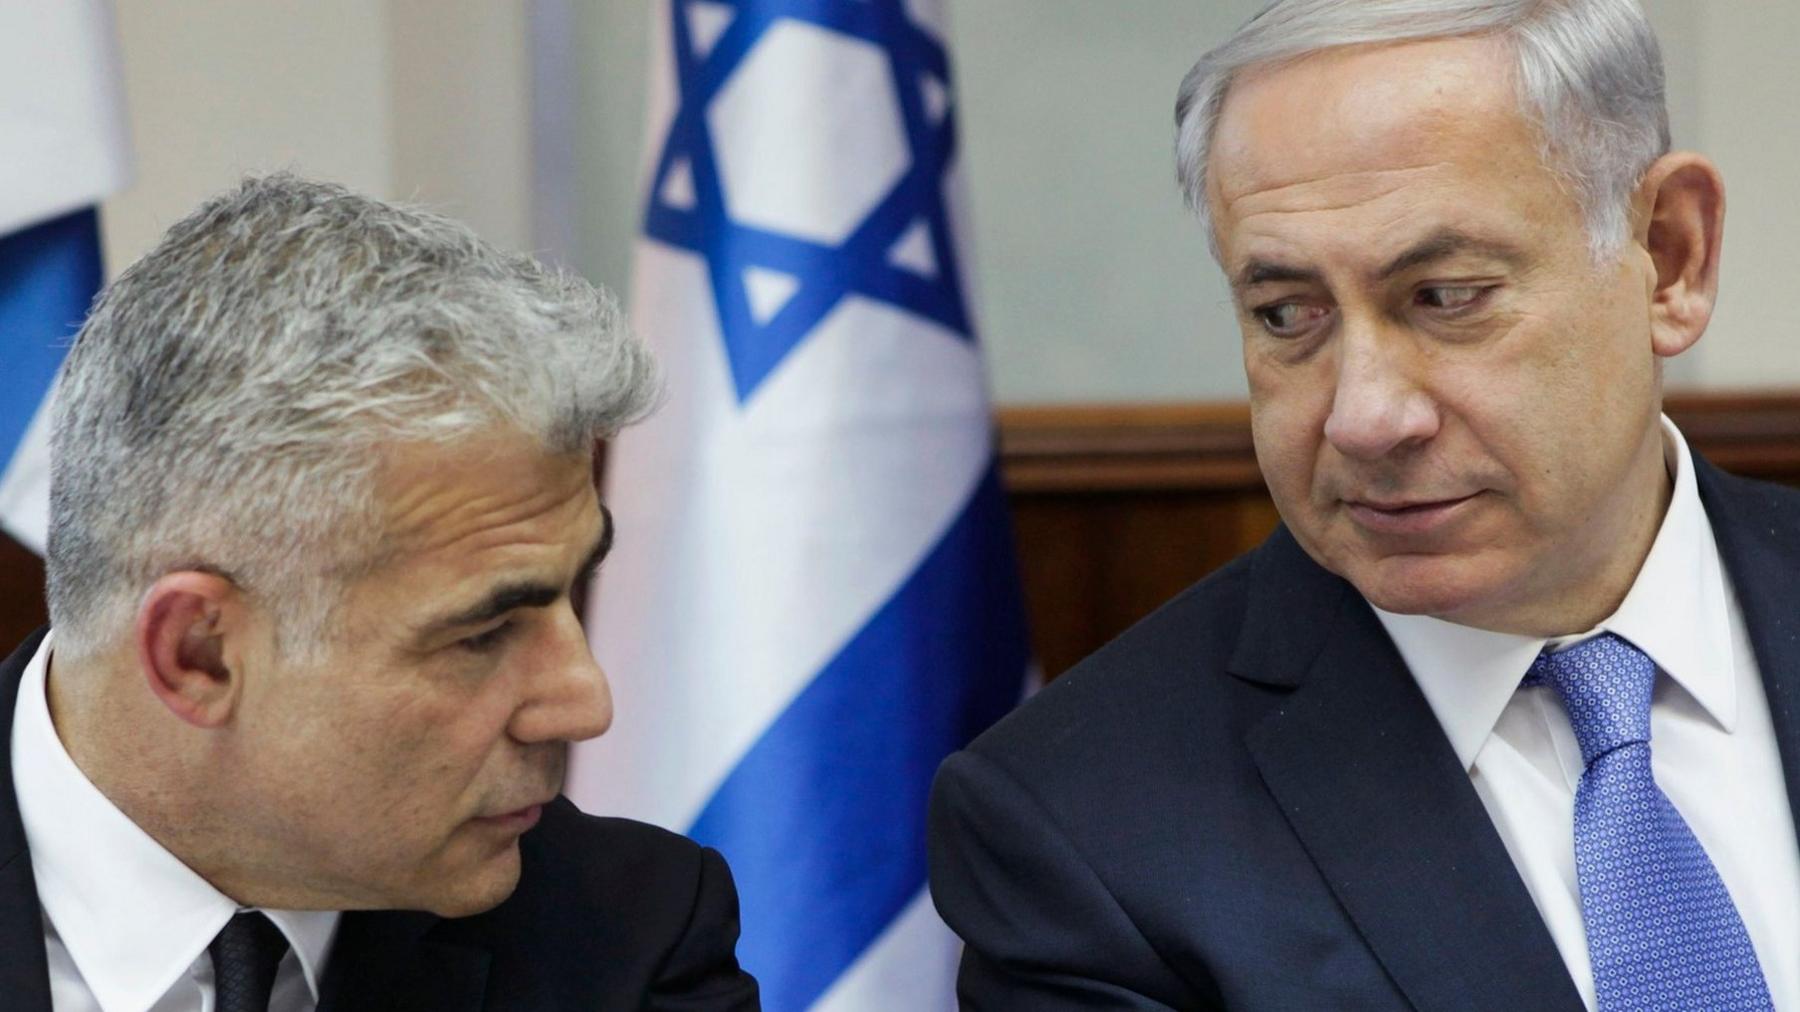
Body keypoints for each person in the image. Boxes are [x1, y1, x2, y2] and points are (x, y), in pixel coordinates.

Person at [929, 1, 1800, 1008]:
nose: (1365, 416)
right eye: (1287, 315)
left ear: (1670, 255)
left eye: (1446, 294)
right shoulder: (1084, 832)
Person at [0, 175, 761, 1010]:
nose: (584, 705)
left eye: (573, 591)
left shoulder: (623, 936)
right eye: (484, 634)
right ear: (200, 655)